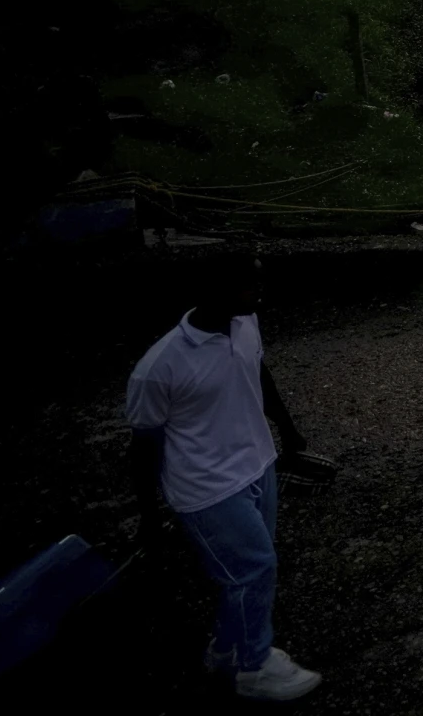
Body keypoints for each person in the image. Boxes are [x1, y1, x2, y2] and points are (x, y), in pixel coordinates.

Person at [127, 248, 323, 701]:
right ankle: (255, 669)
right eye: (251, 284)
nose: (261, 293)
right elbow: (143, 447)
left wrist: (287, 430)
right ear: (218, 290)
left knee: (247, 569)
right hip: (208, 488)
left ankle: (227, 650)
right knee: (254, 569)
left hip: (258, 464)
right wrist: (150, 517)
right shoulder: (158, 369)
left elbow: (258, 372)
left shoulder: (245, 323)